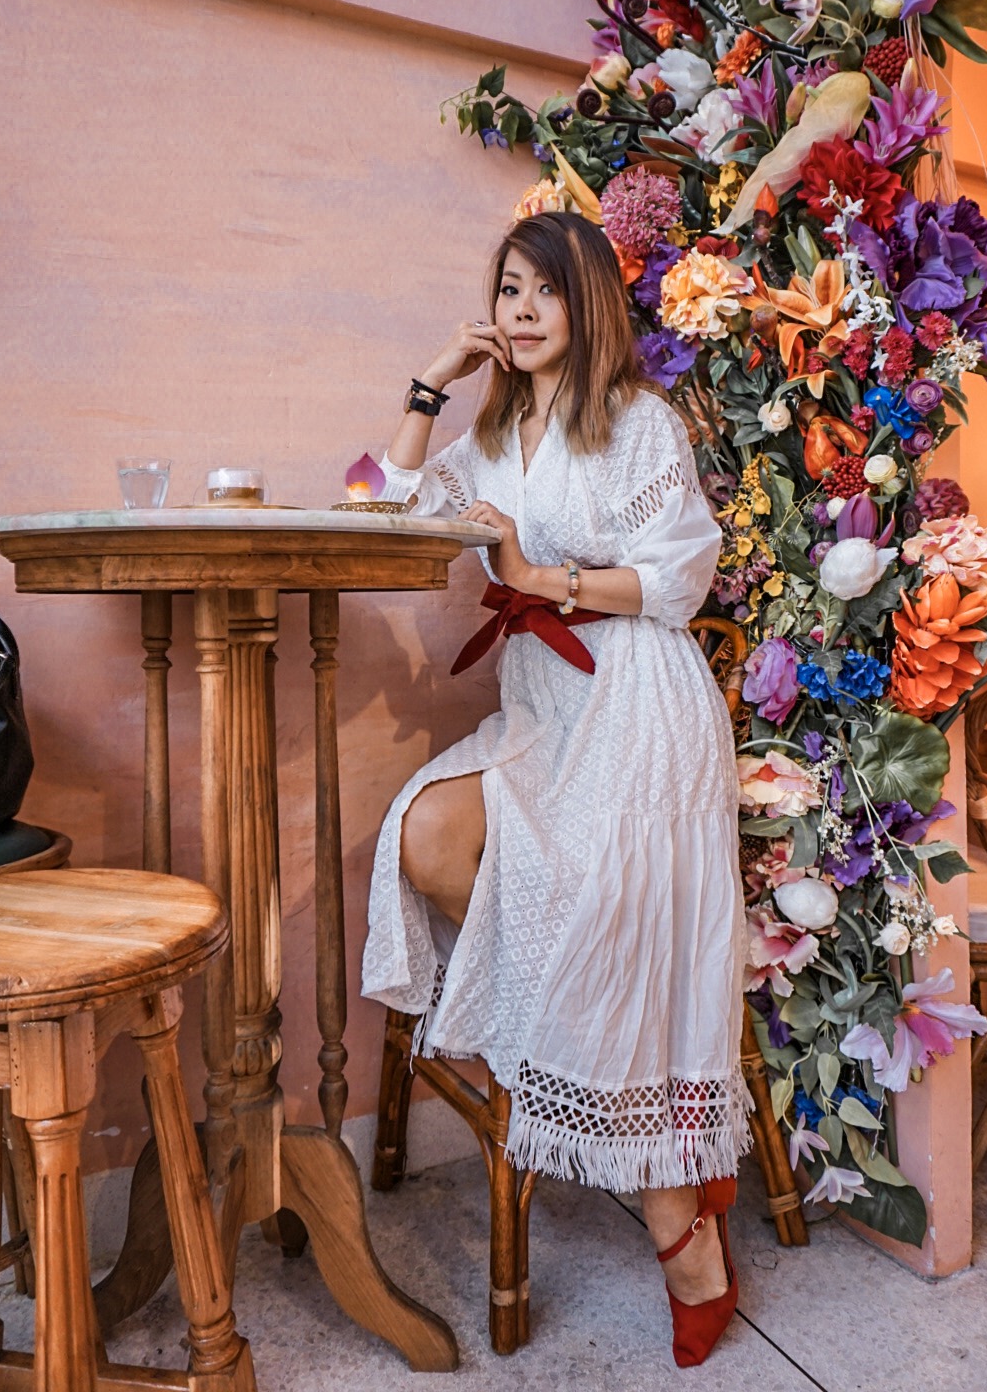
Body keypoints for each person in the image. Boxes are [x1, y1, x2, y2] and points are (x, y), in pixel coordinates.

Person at [362, 211, 749, 1366]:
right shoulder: (491, 435)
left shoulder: (636, 421)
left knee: (598, 911)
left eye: (545, 290)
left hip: (638, 703)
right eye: (508, 289)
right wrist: (432, 381)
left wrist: (539, 573)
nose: (523, 310)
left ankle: (680, 1211)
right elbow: (381, 508)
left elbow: (679, 576)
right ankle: (576, 1079)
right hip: (544, 709)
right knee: (428, 835)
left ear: (588, 304)